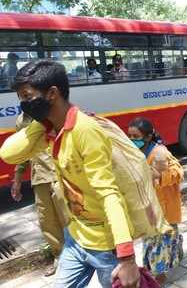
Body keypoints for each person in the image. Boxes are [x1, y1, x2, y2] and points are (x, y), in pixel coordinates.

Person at [0, 60, 140, 288]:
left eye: (27, 97)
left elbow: (109, 194)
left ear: (52, 93)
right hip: (75, 238)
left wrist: (127, 258)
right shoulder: (52, 131)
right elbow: (8, 154)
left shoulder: (85, 131)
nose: (24, 105)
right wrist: (42, 123)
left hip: (105, 246)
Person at [128, 118, 184, 286]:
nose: (131, 139)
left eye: (135, 136)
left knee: (159, 244)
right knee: (152, 242)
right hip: (148, 209)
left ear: (147, 137)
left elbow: (179, 172)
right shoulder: (135, 152)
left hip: (164, 210)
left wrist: (160, 176)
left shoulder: (160, 152)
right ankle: (158, 268)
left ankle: (159, 277)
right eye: (129, 135)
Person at [12, 112, 65, 277]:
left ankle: (84, 253)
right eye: (21, 95)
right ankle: (61, 257)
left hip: (60, 174)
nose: (24, 99)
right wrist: (17, 180)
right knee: (47, 221)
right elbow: (23, 152)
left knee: (70, 218)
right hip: (40, 177)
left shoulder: (51, 110)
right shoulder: (21, 120)